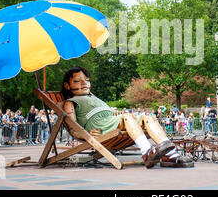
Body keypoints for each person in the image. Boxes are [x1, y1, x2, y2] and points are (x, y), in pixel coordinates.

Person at [61, 66, 193, 168]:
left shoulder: (94, 98)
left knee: (146, 116)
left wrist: (114, 113)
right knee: (128, 116)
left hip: (111, 121)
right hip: (100, 126)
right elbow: (73, 127)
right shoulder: (71, 102)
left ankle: (170, 155)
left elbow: (107, 112)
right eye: (77, 81)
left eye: (87, 80)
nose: (84, 83)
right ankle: (147, 151)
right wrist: (86, 134)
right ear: (67, 85)